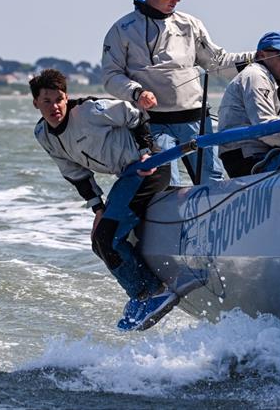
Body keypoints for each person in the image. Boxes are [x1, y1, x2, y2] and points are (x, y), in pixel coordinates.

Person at [30, 69, 177, 332]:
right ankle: (141, 294)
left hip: (150, 167)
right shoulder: (43, 134)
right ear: (36, 104)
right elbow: (76, 174)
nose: (55, 107)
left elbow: (135, 116)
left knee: (108, 238)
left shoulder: (89, 111)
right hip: (128, 176)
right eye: (47, 101)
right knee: (100, 241)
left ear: (67, 98)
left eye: (59, 99)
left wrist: (146, 152)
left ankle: (155, 292)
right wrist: (98, 208)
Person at [101, 0, 253, 186]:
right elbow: (110, 76)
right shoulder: (122, 29)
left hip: (195, 121)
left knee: (213, 182)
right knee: (164, 186)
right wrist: (137, 93)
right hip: (152, 123)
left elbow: (217, 63)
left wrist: (256, 57)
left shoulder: (191, 24)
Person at [218, 32, 280, 178]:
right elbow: (264, 126)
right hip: (247, 157)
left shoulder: (274, 80)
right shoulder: (255, 75)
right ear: (261, 55)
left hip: (260, 152)